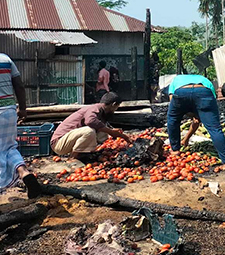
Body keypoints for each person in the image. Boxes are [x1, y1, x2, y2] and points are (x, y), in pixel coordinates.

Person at [168, 75, 225, 170]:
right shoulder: (206, 81)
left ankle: (175, 150)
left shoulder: (176, 80)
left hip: (181, 92)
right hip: (204, 92)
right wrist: (197, 115)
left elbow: (173, 105)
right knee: (214, 128)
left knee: (172, 119)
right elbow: (209, 103)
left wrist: (188, 114)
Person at [0, 53, 41, 198]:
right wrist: (23, 109)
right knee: (10, 147)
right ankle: (24, 173)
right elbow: (19, 86)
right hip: (8, 112)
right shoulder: (5, 59)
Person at [51, 92, 132, 160]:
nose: (116, 109)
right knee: (89, 131)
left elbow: (105, 129)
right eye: (117, 107)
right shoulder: (94, 108)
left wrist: (124, 137)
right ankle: (73, 158)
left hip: (68, 141)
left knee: (102, 131)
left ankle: (84, 153)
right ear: (113, 104)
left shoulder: (102, 113)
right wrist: (110, 131)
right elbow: (90, 121)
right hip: (59, 143)